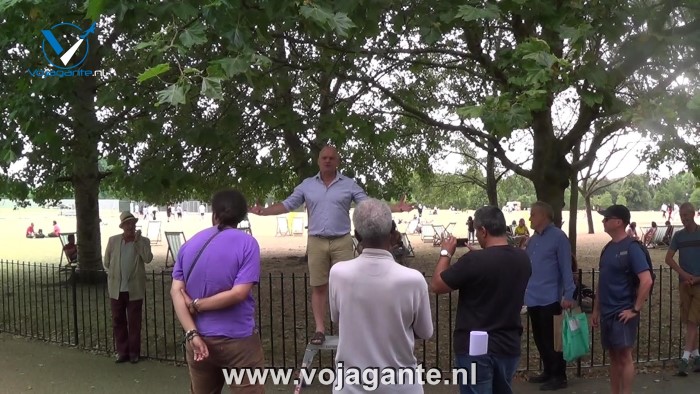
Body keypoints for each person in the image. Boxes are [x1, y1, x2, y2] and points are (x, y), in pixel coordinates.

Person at [249, 145, 414, 345]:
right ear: (318, 161)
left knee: (348, 286)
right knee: (318, 286)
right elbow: (287, 204)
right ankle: (320, 330)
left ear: (338, 161)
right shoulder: (307, 185)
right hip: (316, 241)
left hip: (341, 240)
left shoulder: (349, 184)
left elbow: (369, 204)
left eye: (331, 158)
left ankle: (348, 328)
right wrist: (263, 212)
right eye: (324, 157)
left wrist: (397, 207)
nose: (327, 161)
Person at [329, 198, 432, 393]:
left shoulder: (338, 273)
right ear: (392, 232)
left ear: (357, 234)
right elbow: (425, 331)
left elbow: (337, 318)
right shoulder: (413, 280)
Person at [171, 189, 264, 393]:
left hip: (198, 338)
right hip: (238, 340)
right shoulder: (248, 243)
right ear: (241, 216)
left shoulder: (189, 245)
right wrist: (198, 305)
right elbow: (239, 293)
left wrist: (192, 333)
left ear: (214, 214)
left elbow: (176, 291)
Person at [430, 206, 531, 394]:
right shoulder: (523, 258)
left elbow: (437, 285)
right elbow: (497, 266)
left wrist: (446, 253)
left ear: (483, 231)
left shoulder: (474, 261)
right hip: (508, 345)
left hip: (475, 349)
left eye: (477, 230)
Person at [592, 205, 653, 394]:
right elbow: (603, 281)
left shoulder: (632, 248)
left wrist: (635, 309)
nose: (603, 221)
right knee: (613, 356)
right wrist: (596, 309)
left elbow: (646, 280)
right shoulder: (607, 249)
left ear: (618, 222)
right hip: (607, 312)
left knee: (625, 356)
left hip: (623, 312)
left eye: (606, 218)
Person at [523, 201, 576, 390]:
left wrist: (569, 294)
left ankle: (559, 375)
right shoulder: (533, 239)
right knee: (539, 337)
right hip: (533, 296)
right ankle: (548, 370)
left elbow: (566, 268)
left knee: (553, 339)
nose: (530, 218)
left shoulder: (559, 237)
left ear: (543, 216)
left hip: (550, 297)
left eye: (533, 214)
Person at [103, 212, 153, 364]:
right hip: (116, 288)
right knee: (118, 320)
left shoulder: (143, 241)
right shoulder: (113, 241)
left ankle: (134, 353)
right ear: (123, 226)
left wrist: (137, 242)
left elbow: (148, 258)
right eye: (128, 224)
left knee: (134, 322)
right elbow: (106, 261)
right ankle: (122, 352)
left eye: (133, 223)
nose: (131, 226)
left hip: (135, 289)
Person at [664, 202, 700, 376]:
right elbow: (668, 258)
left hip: (699, 284)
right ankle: (697, 356)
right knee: (688, 320)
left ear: (693, 214)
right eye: (681, 216)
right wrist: (684, 274)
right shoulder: (678, 236)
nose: (684, 218)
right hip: (684, 283)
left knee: (693, 321)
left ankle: (685, 359)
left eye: (686, 215)